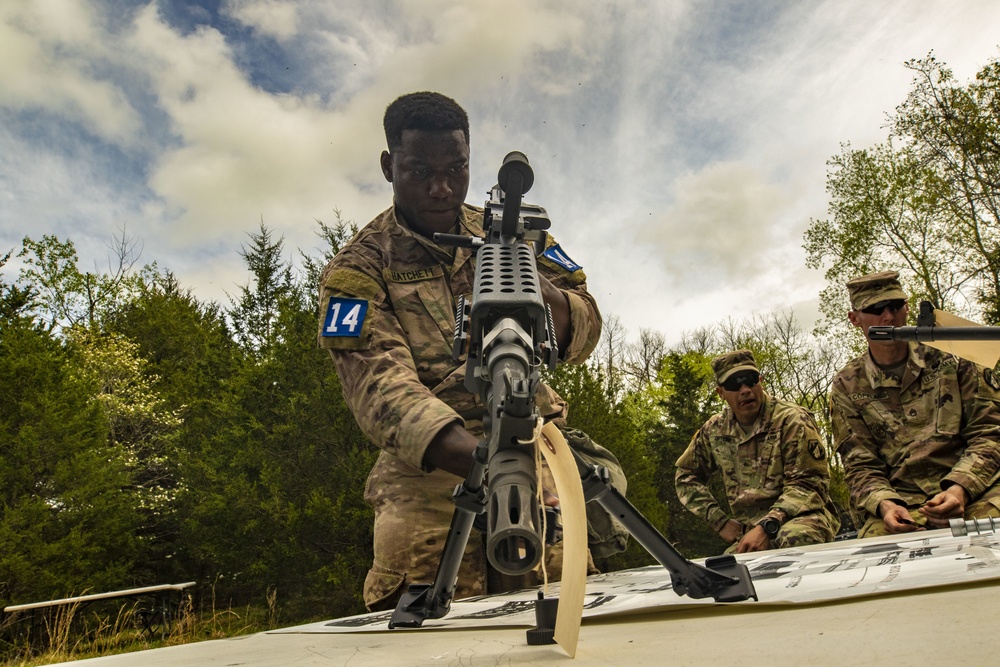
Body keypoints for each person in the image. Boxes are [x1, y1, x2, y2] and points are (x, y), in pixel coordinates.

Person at [317, 91, 627, 612]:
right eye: (420, 171)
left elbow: (588, 325)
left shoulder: (516, 234)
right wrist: (492, 463)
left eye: (456, 169)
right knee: (428, 637)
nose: (441, 188)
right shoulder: (360, 268)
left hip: (535, 444)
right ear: (389, 166)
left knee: (559, 618)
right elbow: (379, 387)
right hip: (430, 477)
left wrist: (547, 299)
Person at [829, 270, 1000, 538]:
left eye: (895, 306)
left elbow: (989, 433)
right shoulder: (847, 385)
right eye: (875, 309)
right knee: (874, 560)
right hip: (903, 503)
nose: (888, 317)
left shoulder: (954, 355)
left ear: (907, 307)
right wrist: (886, 505)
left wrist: (960, 488)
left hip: (979, 489)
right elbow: (860, 465)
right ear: (855, 318)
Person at [675, 350, 840, 553]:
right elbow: (686, 476)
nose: (745, 390)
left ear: (760, 381)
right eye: (734, 385)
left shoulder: (792, 420)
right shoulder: (715, 430)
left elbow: (809, 484)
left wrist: (767, 526)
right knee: (729, 571)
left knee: (794, 540)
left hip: (803, 517)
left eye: (751, 381)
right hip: (749, 529)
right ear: (721, 393)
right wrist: (719, 521)